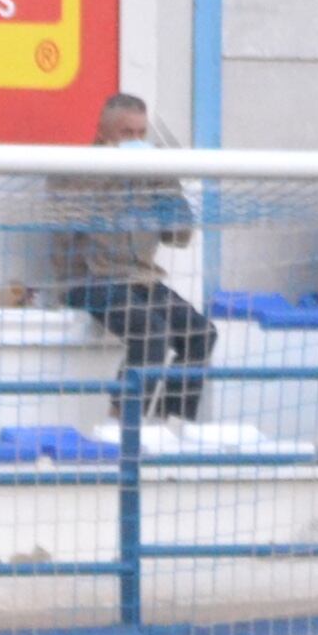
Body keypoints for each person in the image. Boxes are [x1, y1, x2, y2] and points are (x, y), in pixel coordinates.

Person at [49, 93, 212, 422]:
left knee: (201, 333)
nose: (136, 141)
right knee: (151, 333)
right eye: (127, 133)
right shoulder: (72, 170)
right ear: (102, 133)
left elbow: (180, 237)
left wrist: (165, 182)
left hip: (141, 278)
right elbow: (69, 223)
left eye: (141, 134)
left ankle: (172, 421)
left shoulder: (151, 174)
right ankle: (120, 422)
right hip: (91, 280)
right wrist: (113, 171)